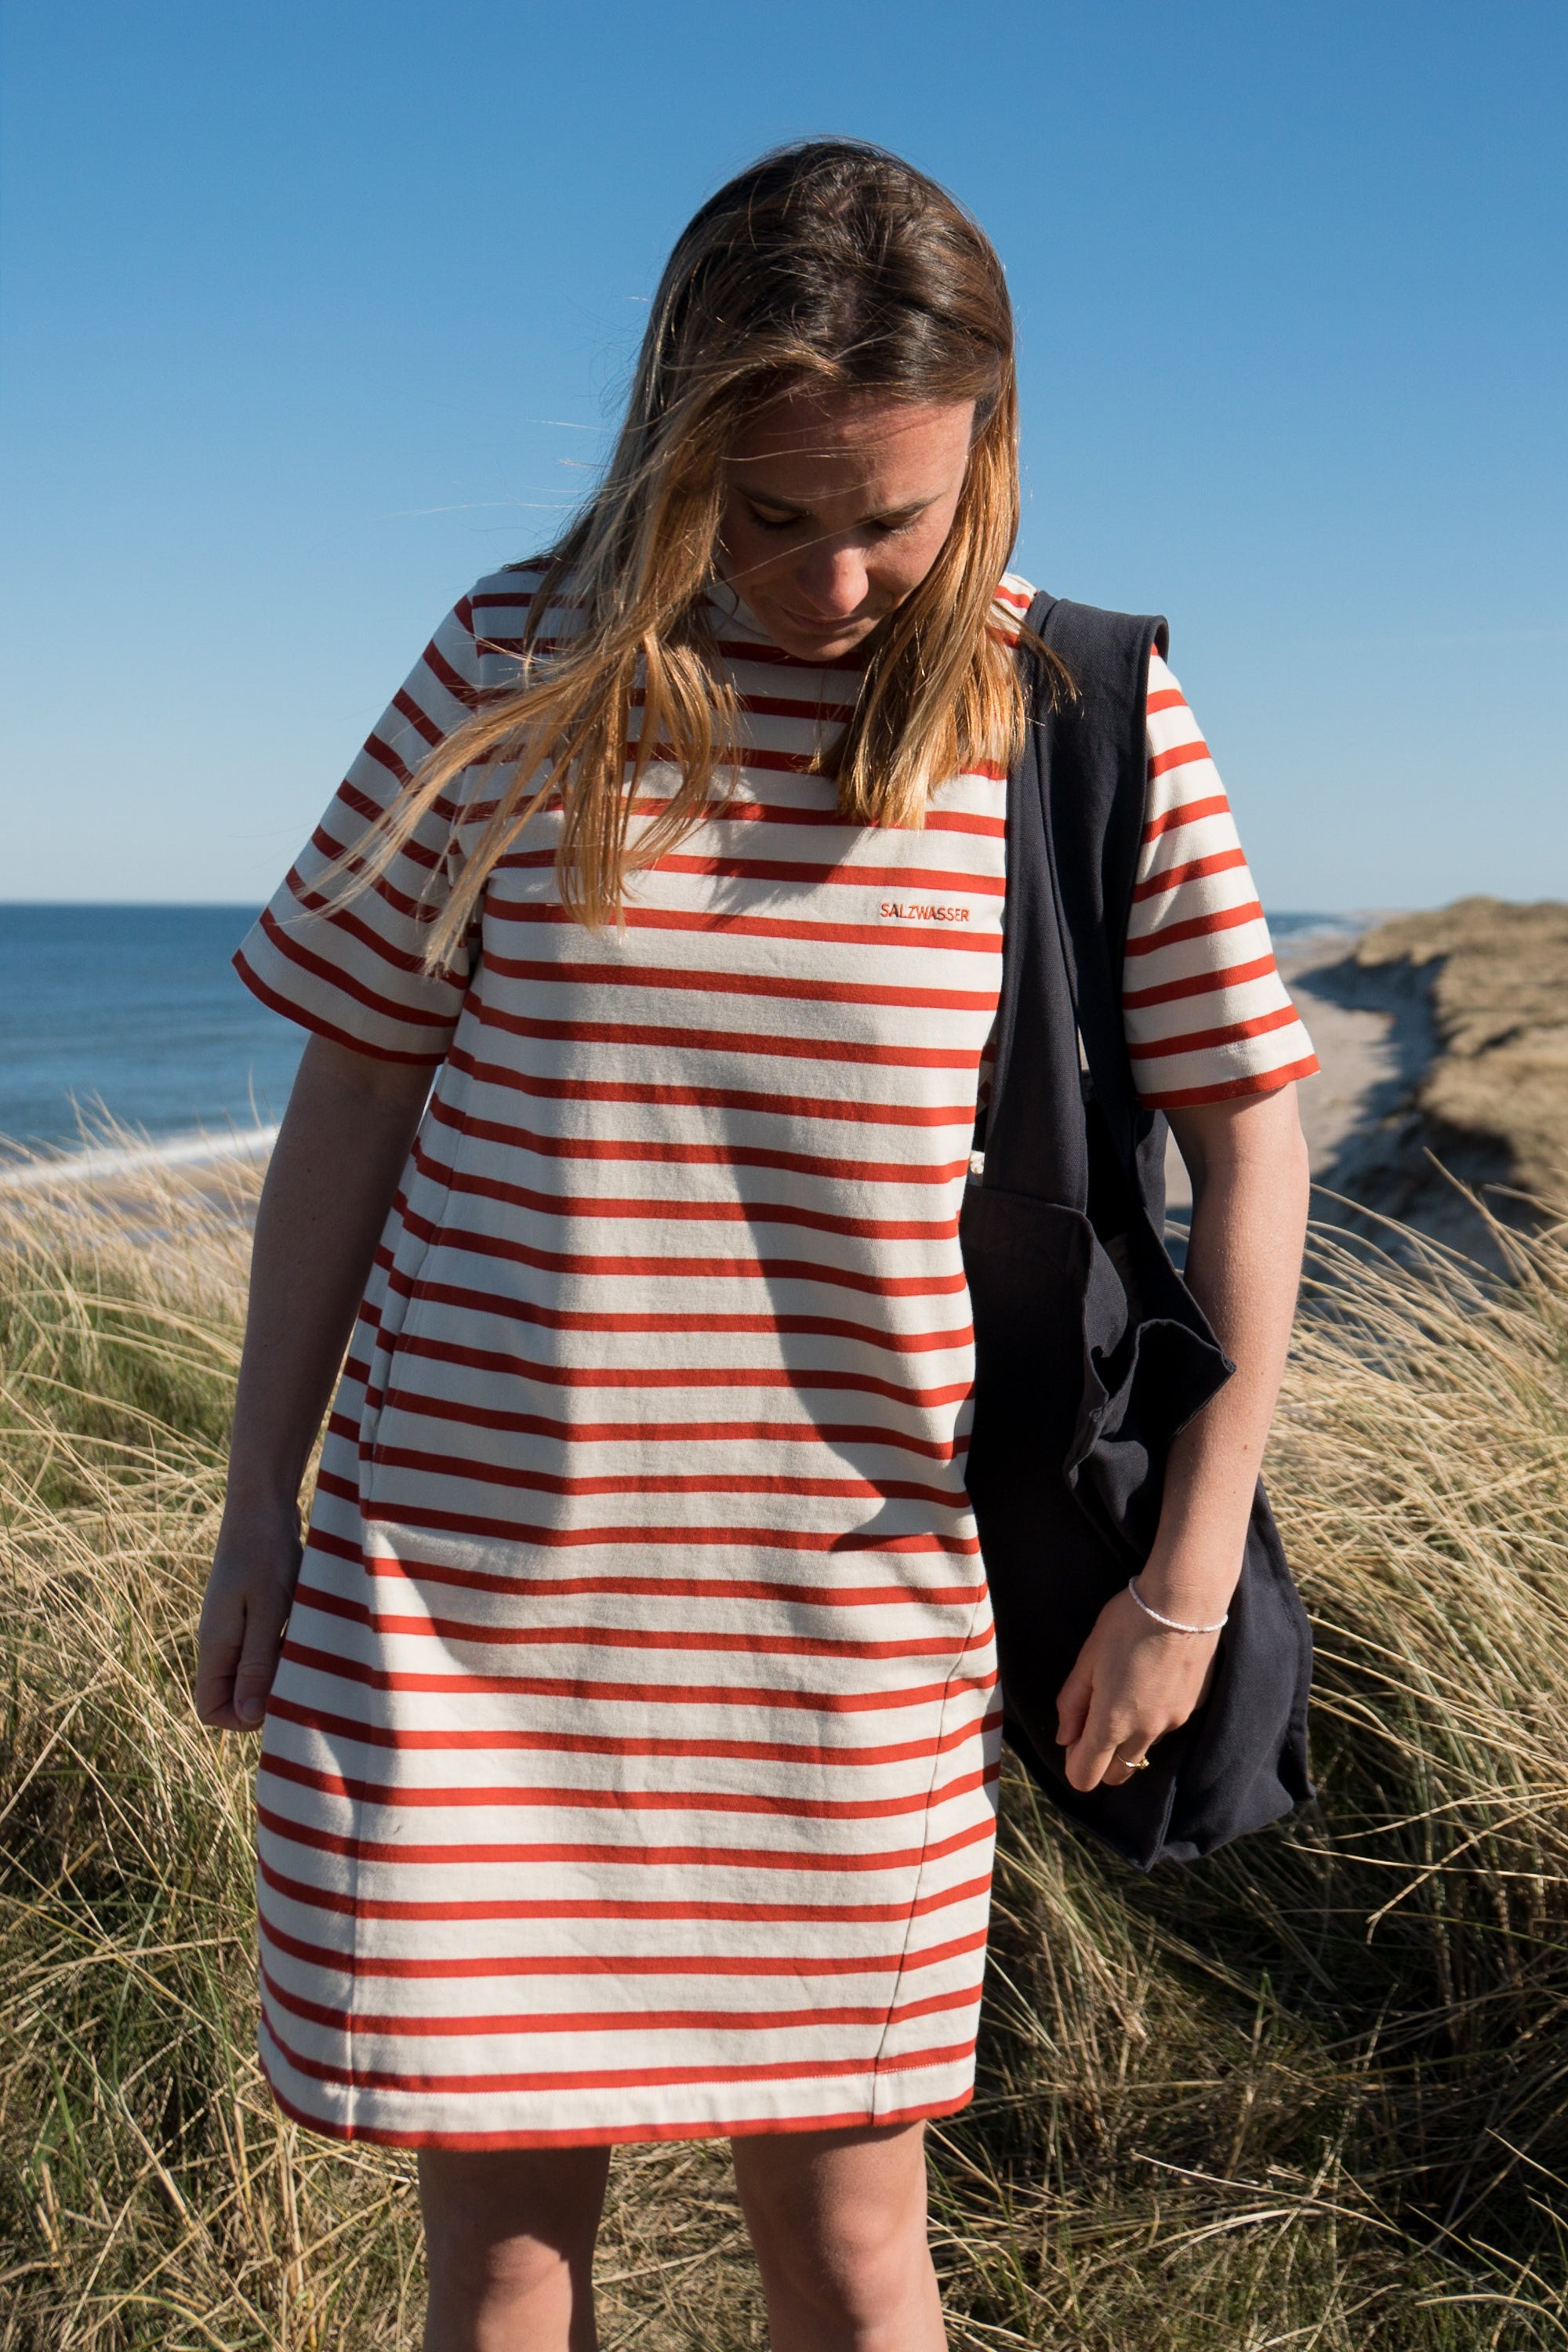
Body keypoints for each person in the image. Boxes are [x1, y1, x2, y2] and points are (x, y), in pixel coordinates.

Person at [196, 139, 1315, 2352]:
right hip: (466, 1603)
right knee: (504, 2264)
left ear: (988, 446)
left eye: (889, 515)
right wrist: (260, 1495)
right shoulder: (514, 670)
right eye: (770, 512)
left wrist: (1187, 1584)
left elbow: (1251, 1131)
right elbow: (353, 1092)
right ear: (672, 441)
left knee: (851, 2251)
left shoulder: (1072, 716)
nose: (829, 577)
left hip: (848, 1629)